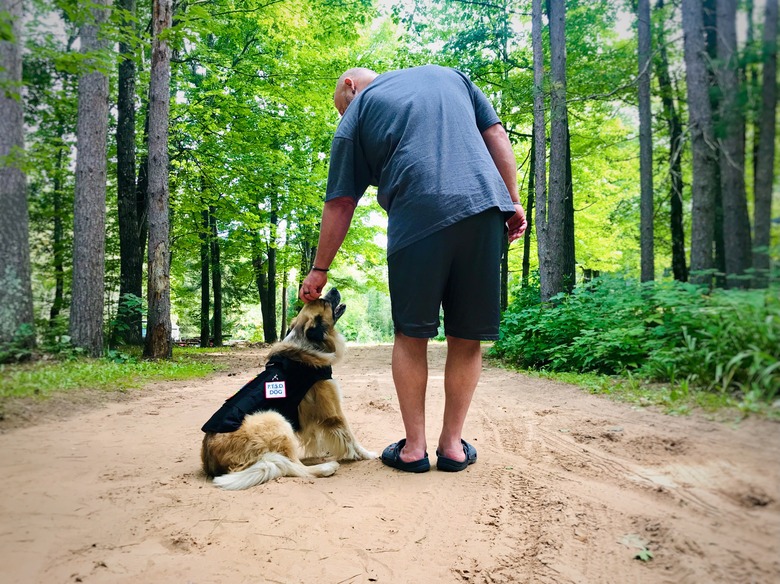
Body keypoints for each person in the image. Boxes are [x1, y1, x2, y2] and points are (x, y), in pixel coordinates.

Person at [299, 65, 527, 473]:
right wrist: (511, 199)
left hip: (417, 215)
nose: (342, 117)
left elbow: (340, 203)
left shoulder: (357, 112)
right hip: (483, 207)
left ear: (350, 87)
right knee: (466, 334)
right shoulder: (452, 76)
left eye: (340, 108)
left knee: (411, 333)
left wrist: (319, 270)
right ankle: (453, 447)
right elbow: (495, 134)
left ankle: (414, 449)